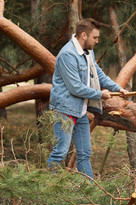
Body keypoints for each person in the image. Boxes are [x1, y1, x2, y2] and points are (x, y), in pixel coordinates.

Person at [47, 18, 128, 179]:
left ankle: (89, 192)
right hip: (64, 111)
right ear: (84, 35)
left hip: (80, 111)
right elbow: (75, 87)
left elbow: (98, 74)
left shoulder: (88, 52)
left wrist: (117, 88)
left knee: (84, 153)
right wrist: (100, 94)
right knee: (60, 152)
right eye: (95, 38)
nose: (97, 41)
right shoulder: (68, 54)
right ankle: (51, 190)